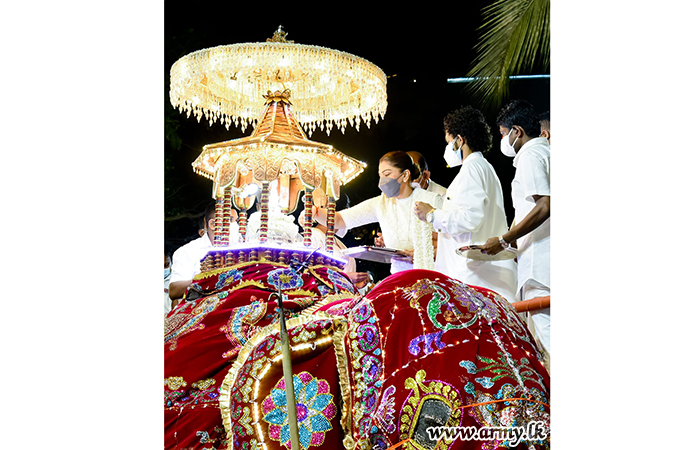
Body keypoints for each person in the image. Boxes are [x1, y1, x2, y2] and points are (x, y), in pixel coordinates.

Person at [414, 105, 518, 303]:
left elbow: (469, 219)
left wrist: (431, 214)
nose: (447, 148)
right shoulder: (483, 167)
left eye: (449, 141)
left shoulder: (472, 169)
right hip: (482, 275)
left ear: (460, 140)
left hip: (476, 277)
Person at [476, 99, 551, 359]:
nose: (503, 140)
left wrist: (504, 239)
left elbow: (545, 205)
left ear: (517, 131)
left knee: (548, 339)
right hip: (543, 261)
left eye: (503, 134)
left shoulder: (530, 155)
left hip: (540, 267)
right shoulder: (547, 152)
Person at [315, 151, 442, 274]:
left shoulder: (432, 200)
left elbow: (451, 242)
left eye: (387, 174)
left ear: (405, 175)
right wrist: (314, 211)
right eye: (380, 175)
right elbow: (339, 220)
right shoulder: (381, 203)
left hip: (433, 275)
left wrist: (421, 254)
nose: (382, 181)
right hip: (399, 277)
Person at [169, 202, 240, 304]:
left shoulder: (240, 252)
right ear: (212, 224)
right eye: (230, 220)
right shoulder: (188, 251)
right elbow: (174, 291)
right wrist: (209, 280)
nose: (235, 225)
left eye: (237, 221)